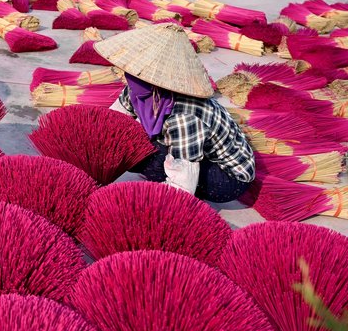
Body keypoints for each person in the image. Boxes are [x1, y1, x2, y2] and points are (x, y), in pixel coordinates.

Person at [94, 22, 255, 203]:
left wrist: (153, 205)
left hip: (227, 177)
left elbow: (182, 187)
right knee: (131, 147)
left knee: (150, 161)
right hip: (197, 154)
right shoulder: (139, 90)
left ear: (156, 82)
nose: (129, 76)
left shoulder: (185, 115)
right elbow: (112, 126)